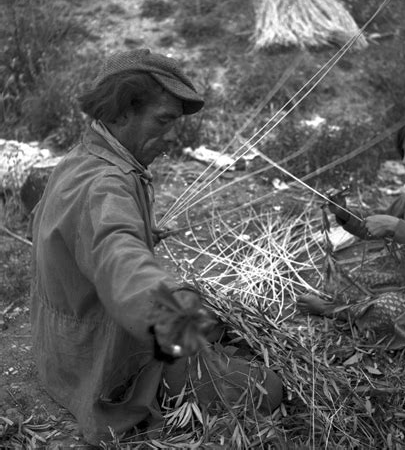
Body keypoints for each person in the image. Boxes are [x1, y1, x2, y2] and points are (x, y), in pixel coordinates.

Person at [30, 49, 282, 445]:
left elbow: (91, 239)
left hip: (65, 352)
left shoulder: (83, 158)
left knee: (214, 327)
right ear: (121, 112)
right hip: (104, 359)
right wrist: (172, 306)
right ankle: (145, 382)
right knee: (268, 389)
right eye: (163, 121)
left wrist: (144, 233)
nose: (171, 139)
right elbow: (118, 257)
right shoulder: (106, 185)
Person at [298, 111, 405, 349]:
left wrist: (397, 227)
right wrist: (344, 213)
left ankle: (336, 311)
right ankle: (354, 308)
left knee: (385, 309)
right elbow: (375, 226)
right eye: (403, 153)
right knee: (353, 277)